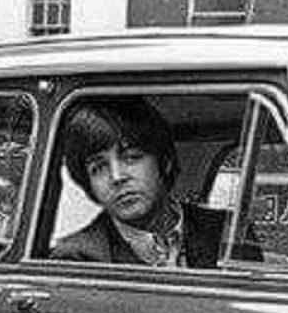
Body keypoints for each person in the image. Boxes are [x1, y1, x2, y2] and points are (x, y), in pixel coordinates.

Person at [51, 97, 254, 268]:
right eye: (98, 168)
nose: (117, 177)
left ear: (164, 162)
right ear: (89, 185)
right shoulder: (77, 257)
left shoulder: (228, 231)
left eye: (131, 157)